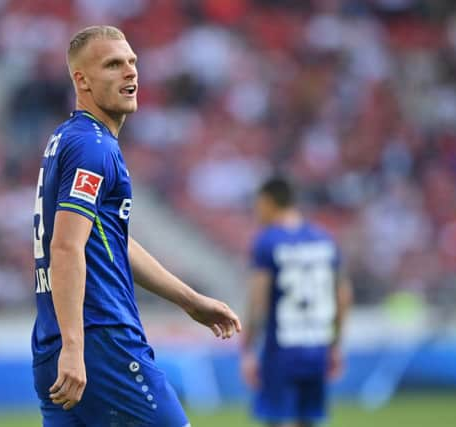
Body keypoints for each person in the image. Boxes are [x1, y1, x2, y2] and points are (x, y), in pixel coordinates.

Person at [31, 25, 242, 427]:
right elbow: (66, 247)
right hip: (100, 340)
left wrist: (189, 299)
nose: (130, 72)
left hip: (54, 341)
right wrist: (76, 347)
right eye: (113, 64)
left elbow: (110, 240)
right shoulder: (93, 148)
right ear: (82, 80)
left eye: (132, 62)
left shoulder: (67, 140)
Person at [241, 176, 351, 427]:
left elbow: (259, 300)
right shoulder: (324, 238)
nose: (256, 211)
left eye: (258, 204)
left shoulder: (267, 241)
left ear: (269, 202)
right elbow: (343, 296)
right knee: (310, 420)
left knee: (275, 419)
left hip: (281, 347)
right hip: (317, 345)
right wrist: (336, 343)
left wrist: (247, 349)